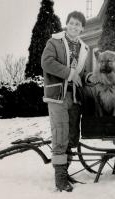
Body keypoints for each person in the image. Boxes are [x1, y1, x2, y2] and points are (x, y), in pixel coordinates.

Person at [41, 11, 90, 192]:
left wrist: (89, 78)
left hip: (75, 97)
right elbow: (46, 62)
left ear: (82, 28)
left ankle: (66, 171)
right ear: (66, 24)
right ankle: (60, 178)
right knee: (60, 133)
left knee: (71, 136)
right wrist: (70, 73)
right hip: (57, 95)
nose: (74, 27)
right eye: (71, 23)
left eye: (78, 24)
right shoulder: (54, 42)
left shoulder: (85, 48)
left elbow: (82, 74)